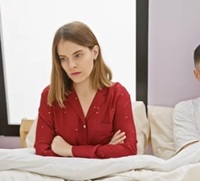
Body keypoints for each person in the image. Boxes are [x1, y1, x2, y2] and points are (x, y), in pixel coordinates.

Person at [34, 21, 137, 159]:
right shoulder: (50, 96)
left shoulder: (118, 95)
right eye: (63, 59)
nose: (71, 65)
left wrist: (69, 150)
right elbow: (42, 150)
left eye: (78, 55)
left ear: (94, 52)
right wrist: (105, 150)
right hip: (62, 177)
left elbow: (129, 149)